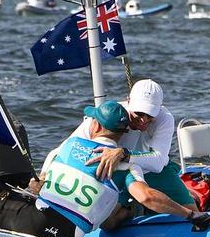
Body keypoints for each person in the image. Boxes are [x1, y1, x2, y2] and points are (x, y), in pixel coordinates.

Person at [0, 101, 210, 237]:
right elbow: (147, 197)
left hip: (31, 225)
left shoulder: (72, 146)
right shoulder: (126, 164)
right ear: (124, 134)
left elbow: (43, 180)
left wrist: (36, 185)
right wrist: (191, 214)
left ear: (95, 126)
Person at [76, 79, 194, 215]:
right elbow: (68, 145)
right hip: (119, 172)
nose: (144, 120)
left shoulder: (165, 118)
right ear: (128, 101)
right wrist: (44, 176)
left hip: (152, 170)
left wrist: (123, 154)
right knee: (110, 222)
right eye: (139, 113)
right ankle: (136, 209)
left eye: (150, 115)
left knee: (192, 211)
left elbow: (158, 163)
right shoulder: (107, 115)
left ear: (160, 107)